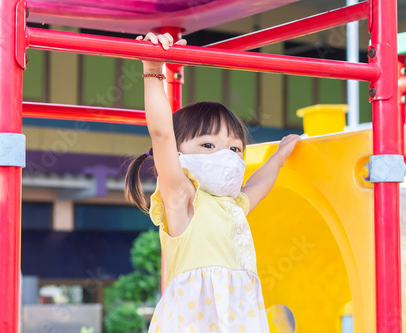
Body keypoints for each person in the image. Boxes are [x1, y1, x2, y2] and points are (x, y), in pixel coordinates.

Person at [125, 32, 301, 333]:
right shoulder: (184, 198)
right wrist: (152, 71)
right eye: (208, 145)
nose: (227, 156)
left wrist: (279, 157)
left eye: (235, 149)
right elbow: (162, 134)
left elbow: (258, 184)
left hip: (238, 319)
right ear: (179, 156)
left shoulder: (231, 207)